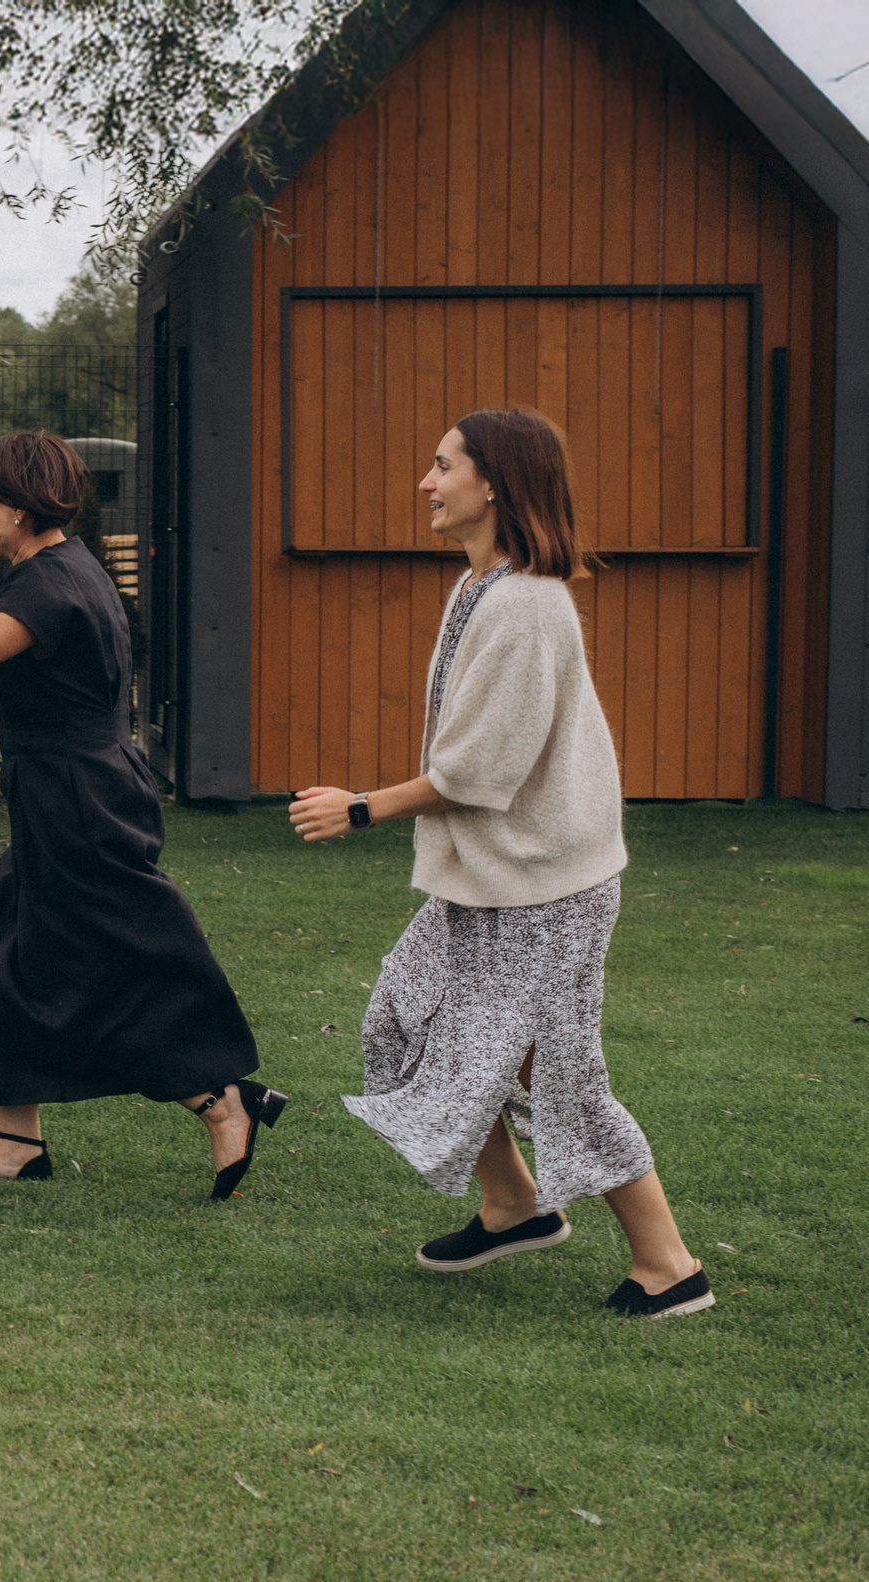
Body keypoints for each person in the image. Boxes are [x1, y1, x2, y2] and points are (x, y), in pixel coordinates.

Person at [289, 409, 711, 1318]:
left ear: (496, 485)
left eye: (443, 466)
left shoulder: (525, 605)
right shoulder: (480, 586)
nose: (426, 483)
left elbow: (480, 769)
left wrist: (358, 806)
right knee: (403, 1017)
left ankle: (669, 1265)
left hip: (550, 885)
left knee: (555, 1072)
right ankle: (514, 1202)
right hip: (489, 879)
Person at [0, 430, 283, 1197]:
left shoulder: (44, 588)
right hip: (73, 787)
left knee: (116, 954)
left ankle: (222, 1099)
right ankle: (15, 1142)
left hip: (76, 796)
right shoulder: (68, 566)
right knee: (9, 949)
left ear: (20, 508)